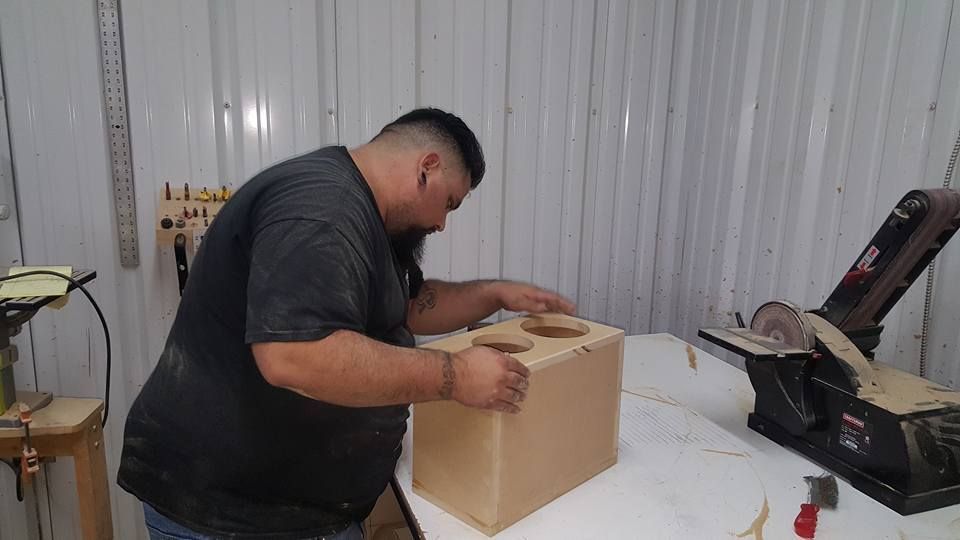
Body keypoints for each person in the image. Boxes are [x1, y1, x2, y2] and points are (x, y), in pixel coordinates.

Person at [118, 107, 575, 539]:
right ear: (427, 167)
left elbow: (408, 308)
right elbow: (295, 356)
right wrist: (456, 376)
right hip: (234, 514)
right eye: (449, 203)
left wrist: (495, 294)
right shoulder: (325, 208)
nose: (441, 224)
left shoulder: (365, 214)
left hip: (289, 502)